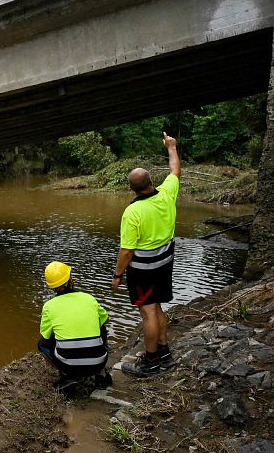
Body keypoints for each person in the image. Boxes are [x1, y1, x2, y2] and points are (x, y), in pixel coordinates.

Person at [111, 132, 181, 378]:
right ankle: (164, 353)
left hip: (144, 270)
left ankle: (151, 362)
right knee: (157, 306)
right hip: (165, 263)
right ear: (151, 181)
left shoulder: (132, 213)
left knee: (148, 312)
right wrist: (171, 147)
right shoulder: (167, 194)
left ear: (132, 189)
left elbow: (127, 251)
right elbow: (175, 171)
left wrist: (117, 275)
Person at [39, 261, 112, 391]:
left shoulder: (49, 306)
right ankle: (100, 375)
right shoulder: (89, 298)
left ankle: (67, 376)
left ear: (51, 287)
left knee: (43, 343)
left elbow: (45, 335)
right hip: (98, 362)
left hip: (68, 366)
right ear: (71, 279)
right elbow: (105, 320)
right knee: (101, 327)